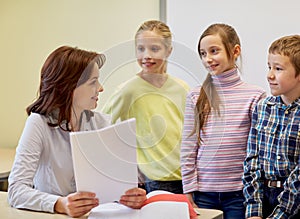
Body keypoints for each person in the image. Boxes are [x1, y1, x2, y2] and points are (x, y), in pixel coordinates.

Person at [8, 46, 147, 218]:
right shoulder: (38, 123)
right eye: (93, 82)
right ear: (69, 87)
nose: (101, 88)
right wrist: (59, 204)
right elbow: (16, 190)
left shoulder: (103, 123)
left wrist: (132, 195)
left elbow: (120, 185)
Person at [180, 23, 266, 219]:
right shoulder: (196, 96)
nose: (208, 59)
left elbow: (257, 152)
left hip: (239, 194)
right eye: (203, 53)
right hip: (203, 194)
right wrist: (188, 189)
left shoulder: (255, 96)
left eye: (214, 51)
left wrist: (255, 195)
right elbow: (188, 146)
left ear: (235, 51)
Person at [102, 20, 189, 194]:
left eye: (154, 49)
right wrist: (129, 165)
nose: (146, 55)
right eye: (141, 49)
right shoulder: (128, 90)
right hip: (156, 180)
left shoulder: (183, 89)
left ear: (169, 51)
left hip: (188, 178)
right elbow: (102, 127)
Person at [243, 35, 300, 219]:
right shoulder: (262, 107)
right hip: (263, 198)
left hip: (293, 202)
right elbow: (252, 160)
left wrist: (280, 214)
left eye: (278, 68)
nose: (270, 75)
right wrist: (254, 211)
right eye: (269, 67)